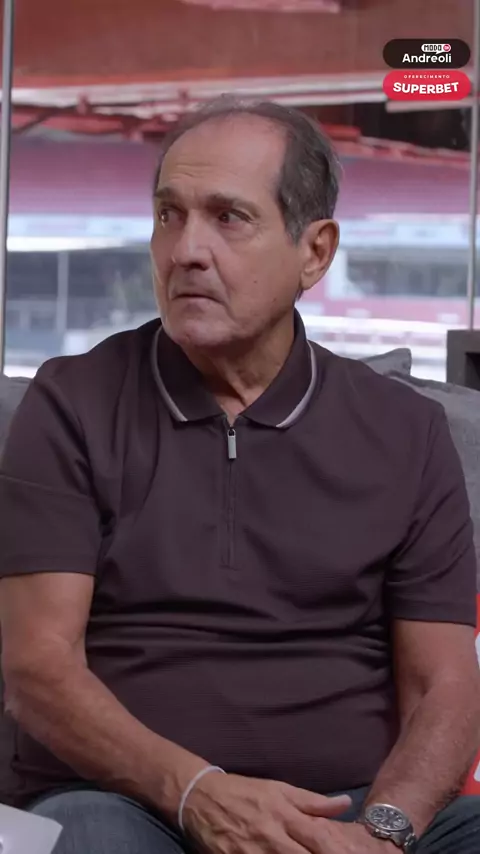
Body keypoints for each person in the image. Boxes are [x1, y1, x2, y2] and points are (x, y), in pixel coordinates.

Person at [0, 98, 479, 854]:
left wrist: (383, 835)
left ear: (314, 252)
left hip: (349, 811)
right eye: (169, 215)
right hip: (130, 803)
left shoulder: (406, 431)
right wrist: (197, 793)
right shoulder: (72, 403)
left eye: (228, 217)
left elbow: (443, 686)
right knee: (87, 837)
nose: (186, 250)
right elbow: (38, 669)